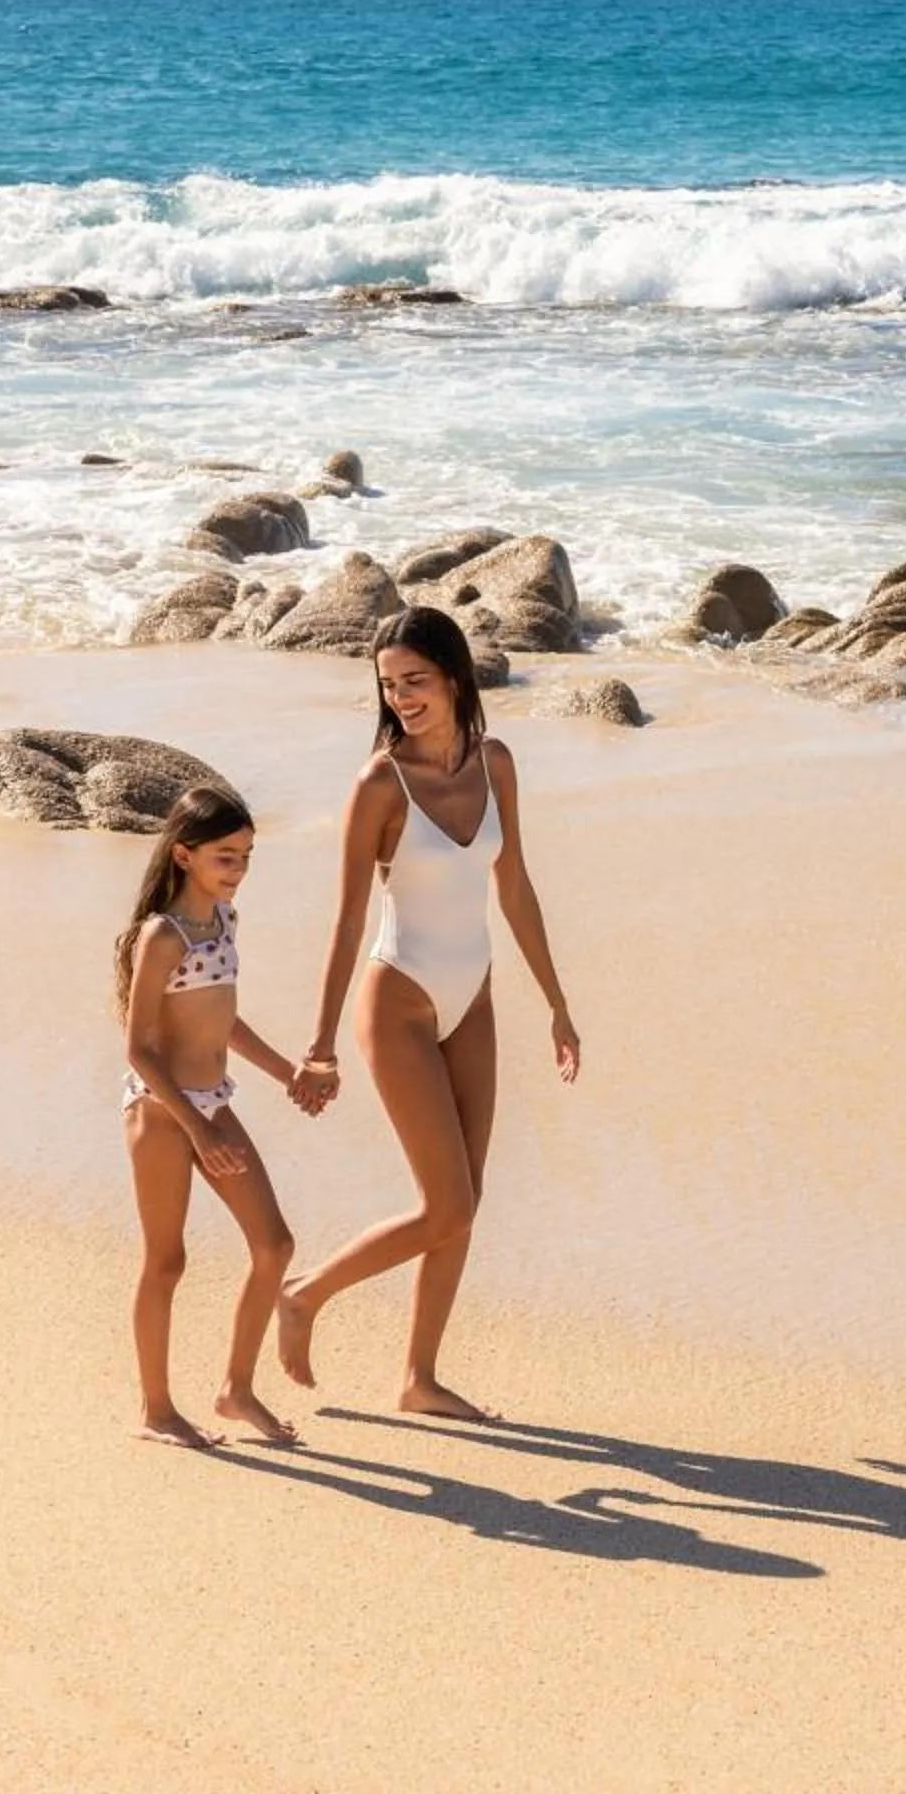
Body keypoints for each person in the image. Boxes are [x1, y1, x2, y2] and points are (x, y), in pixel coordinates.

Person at [276, 605, 582, 1420]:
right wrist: (320, 1044)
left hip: (472, 997)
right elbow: (346, 920)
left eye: (414, 680)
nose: (401, 698)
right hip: (400, 1001)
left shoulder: (496, 763)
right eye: (388, 686)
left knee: (465, 1203)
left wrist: (557, 1004)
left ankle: (419, 1379)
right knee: (445, 1203)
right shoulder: (380, 785)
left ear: (453, 676)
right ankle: (304, 1295)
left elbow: (514, 887)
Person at [116, 784, 315, 1449]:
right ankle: (156, 1411)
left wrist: (288, 1073)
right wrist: (197, 1130)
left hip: (211, 1101)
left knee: (274, 1246)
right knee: (166, 1261)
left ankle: (236, 1390)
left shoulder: (224, 921)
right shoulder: (162, 936)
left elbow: (223, 1020)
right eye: (226, 857)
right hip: (160, 1110)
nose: (239, 869)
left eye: (247, 856)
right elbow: (139, 1048)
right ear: (184, 855)